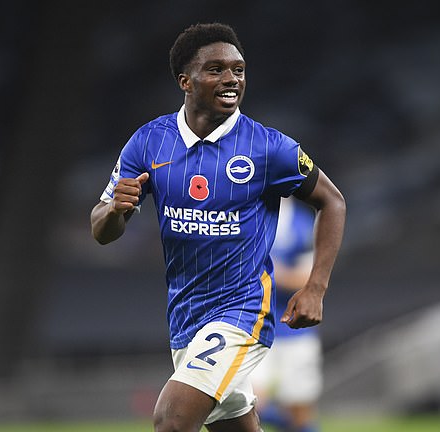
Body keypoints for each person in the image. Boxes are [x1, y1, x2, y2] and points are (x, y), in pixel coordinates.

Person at [90, 23, 346, 432]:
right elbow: (101, 229)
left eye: (238, 70)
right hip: (185, 315)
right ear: (185, 81)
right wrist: (116, 211)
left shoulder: (269, 147)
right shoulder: (149, 142)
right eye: (216, 70)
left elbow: (332, 201)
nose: (232, 79)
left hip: (244, 310)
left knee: (172, 419)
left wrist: (316, 286)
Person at [250, 197, 323, 432]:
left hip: (294, 330)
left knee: (299, 412)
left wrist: (268, 273)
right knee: (249, 403)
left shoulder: (301, 221)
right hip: (251, 327)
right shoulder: (246, 210)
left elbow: (306, 279)